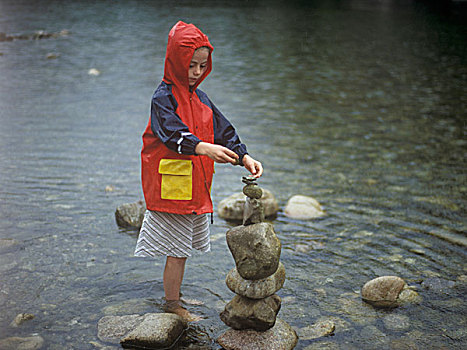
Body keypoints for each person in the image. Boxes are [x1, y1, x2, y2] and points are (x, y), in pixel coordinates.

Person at [134, 21, 263, 321]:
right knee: (177, 250)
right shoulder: (163, 97)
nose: (196, 72)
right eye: (190, 65)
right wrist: (204, 148)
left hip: (193, 186)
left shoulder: (201, 98)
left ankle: (174, 296)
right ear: (176, 61)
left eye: (202, 66)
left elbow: (223, 130)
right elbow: (172, 133)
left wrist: (243, 156)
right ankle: (172, 305)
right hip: (171, 187)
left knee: (183, 250)